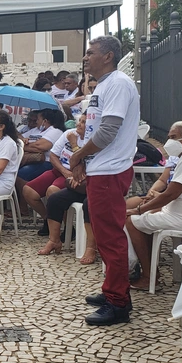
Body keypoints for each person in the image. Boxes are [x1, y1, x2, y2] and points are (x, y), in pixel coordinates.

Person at [70, 35, 141, 326]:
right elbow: (94, 128)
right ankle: (113, 289)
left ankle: (118, 303)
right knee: (105, 235)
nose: (86, 58)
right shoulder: (105, 85)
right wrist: (84, 158)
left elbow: (108, 131)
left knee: (110, 237)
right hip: (101, 168)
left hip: (110, 170)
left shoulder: (119, 84)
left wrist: (78, 157)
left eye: (91, 53)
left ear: (108, 56)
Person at [125, 121, 182, 290]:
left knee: (131, 221)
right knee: (144, 215)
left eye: (173, 137)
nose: (169, 141)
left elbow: (171, 193)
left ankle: (148, 276)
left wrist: (139, 209)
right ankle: (146, 269)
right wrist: (151, 203)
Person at [26, 113, 88, 255]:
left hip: (76, 176)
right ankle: (50, 222)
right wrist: (63, 171)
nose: (78, 124)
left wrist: (73, 144)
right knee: (28, 191)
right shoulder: (68, 133)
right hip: (60, 170)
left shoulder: (89, 141)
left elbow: (78, 163)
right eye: (79, 121)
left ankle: (67, 228)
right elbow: (54, 155)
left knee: (52, 191)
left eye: (83, 122)